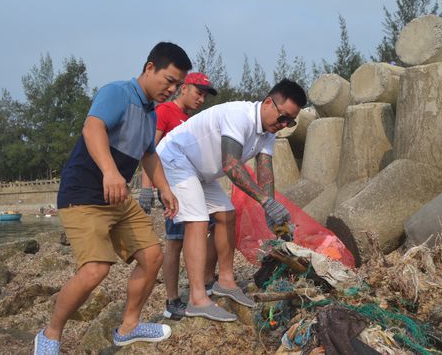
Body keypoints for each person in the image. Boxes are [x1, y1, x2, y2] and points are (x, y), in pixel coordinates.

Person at [33, 42, 192, 355]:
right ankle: (49, 335)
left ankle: (128, 327)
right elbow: (92, 129)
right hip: (83, 193)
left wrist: (165, 188)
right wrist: (109, 171)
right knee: (95, 269)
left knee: (152, 256)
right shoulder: (117, 92)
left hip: (116, 197)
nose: (172, 89)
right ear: (149, 68)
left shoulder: (150, 113)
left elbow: (149, 154)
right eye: (169, 80)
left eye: (178, 84)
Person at [156, 78, 306, 321]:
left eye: (290, 121)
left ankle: (225, 280)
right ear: (268, 103)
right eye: (282, 117)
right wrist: (266, 202)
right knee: (197, 221)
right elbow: (231, 164)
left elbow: (265, 170)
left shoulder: (267, 132)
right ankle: (196, 299)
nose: (284, 124)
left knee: (227, 215)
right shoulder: (240, 115)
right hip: (175, 159)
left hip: (200, 171)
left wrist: (271, 208)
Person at [137, 72, 220, 320]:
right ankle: (172, 299)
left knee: (210, 227)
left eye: (205, 95)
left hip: (191, 185)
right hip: (171, 187)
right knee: (174, 241)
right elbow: (150, 150)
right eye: (198, 92)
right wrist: (147, 187)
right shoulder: (164, 112)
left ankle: (204, 280)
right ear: (184, 88)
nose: (201, 99)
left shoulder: (189, 120)